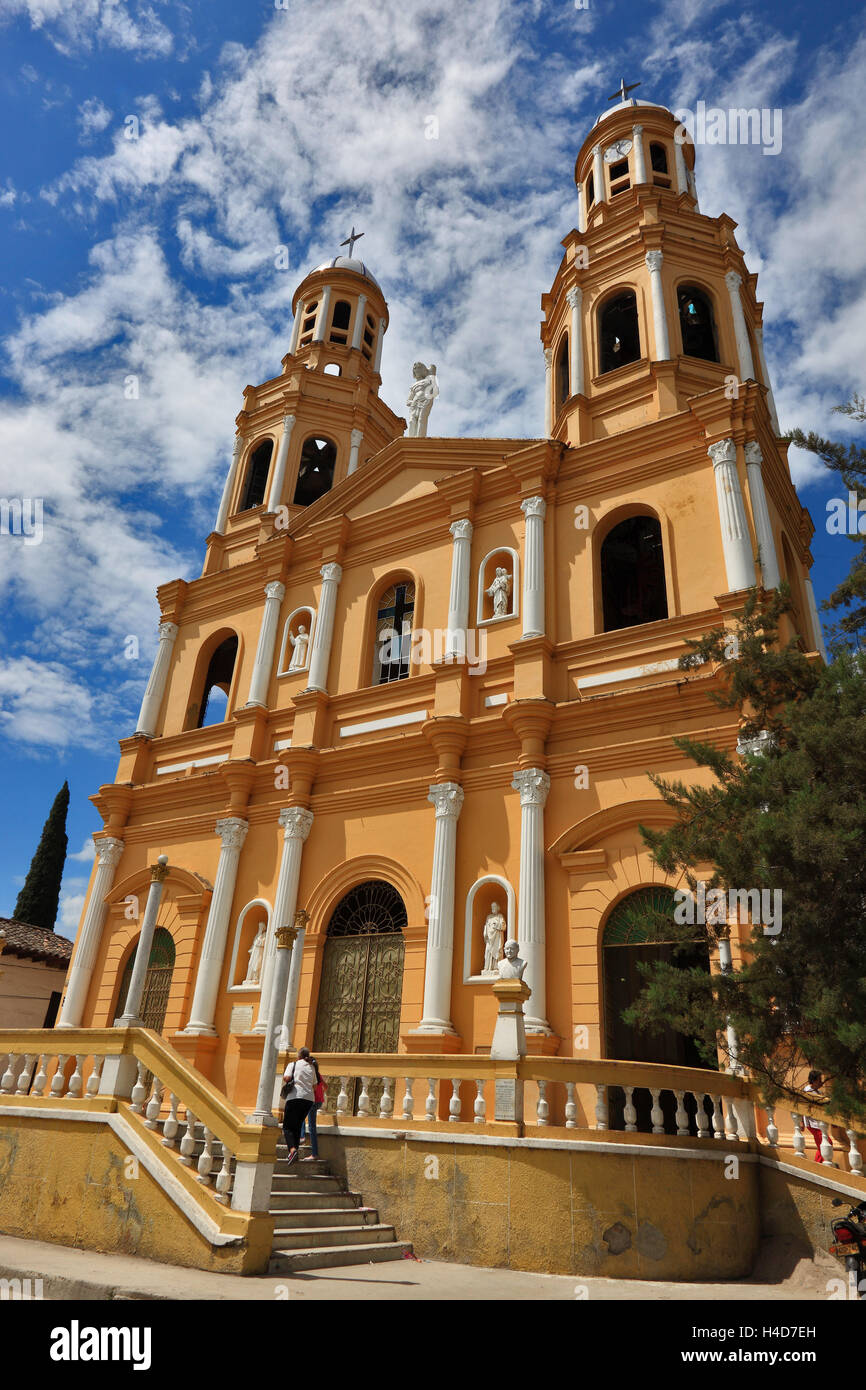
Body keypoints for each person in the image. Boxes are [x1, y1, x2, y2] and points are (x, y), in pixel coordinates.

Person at [281, 1046, 317, 1166]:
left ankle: (292, 1149)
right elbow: (315, 1085)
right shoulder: (312, 1067)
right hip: (308, 1100)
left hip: (295, 1097)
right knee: (296, 1126)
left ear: (299, 1056)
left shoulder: (293, 1064)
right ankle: (294, 1153)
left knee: (287, 1127)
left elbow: (286, 1078)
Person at [299, 1056, 326, 1160]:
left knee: (311, 1127)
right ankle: (302, 1137)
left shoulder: (311, 1076)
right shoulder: (319, 1075)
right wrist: (321, 1094)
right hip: (319, 1102)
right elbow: (326, 1087)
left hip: (312, 1102)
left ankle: (313, 1152)